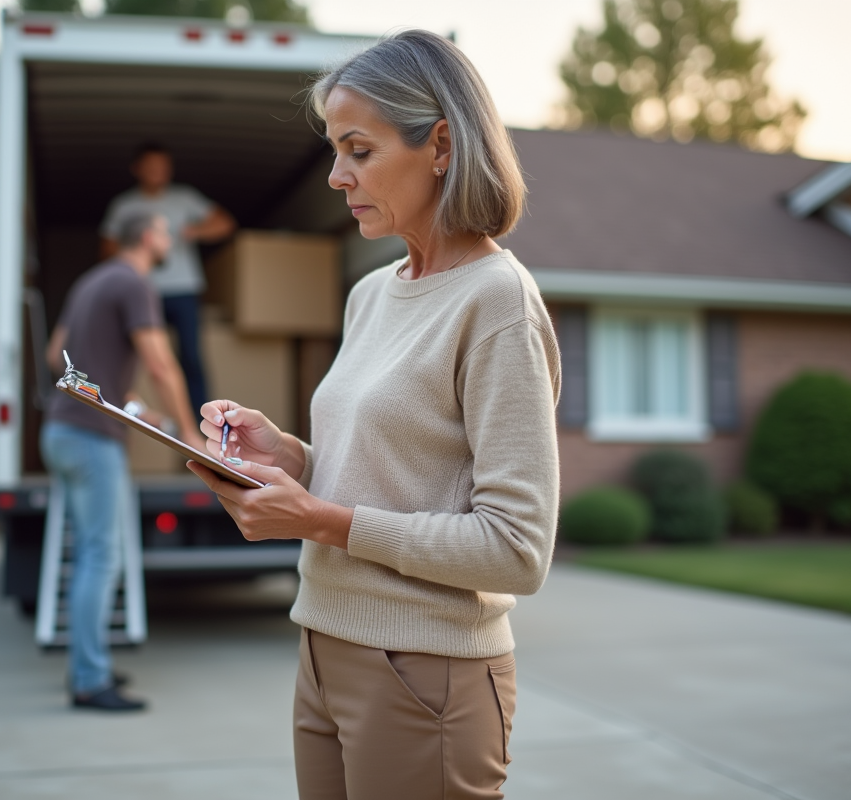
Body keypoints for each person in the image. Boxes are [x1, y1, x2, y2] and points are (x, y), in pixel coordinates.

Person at [186, 29, 560, 799]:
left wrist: (320, 519)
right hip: (323, 645)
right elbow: (386, 474)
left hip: (426, 675)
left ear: (443, 145)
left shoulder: (498, 303)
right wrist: (288, 457)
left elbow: (517, 550)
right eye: (335, 149)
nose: (335, 175)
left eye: (359, 149)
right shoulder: (371, 292)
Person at [43, 212, 200, 712]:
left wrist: (126, 402)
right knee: (99, 556)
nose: (169, 235)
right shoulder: (135, 282)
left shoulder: (91, 281)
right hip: (91, 439)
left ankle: (89, 667)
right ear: (146, 237)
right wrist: (190, 431)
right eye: (163, 227)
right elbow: (160, 362)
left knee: (90, 554)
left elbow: (56, 356)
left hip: (61, 431)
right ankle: (90, 681)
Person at [100, 142, 236, 414]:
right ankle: (134, 412)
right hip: (142, 289)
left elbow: (225, 223)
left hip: (184, 290)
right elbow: (107, 248)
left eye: (163, 167)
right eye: (151, 167)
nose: (158, 172)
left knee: (191, 357)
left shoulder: (184, 198)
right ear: (137, 169)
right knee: (139, 358)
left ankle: (202, 420)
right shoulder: (124, 206)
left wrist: (194, 231)